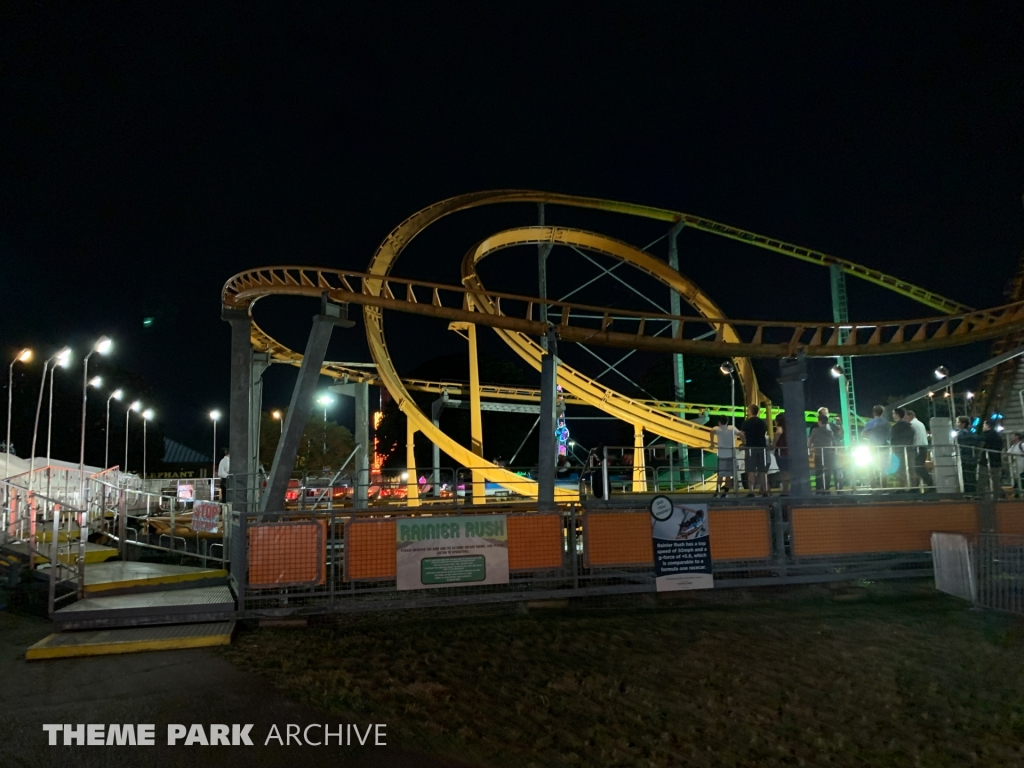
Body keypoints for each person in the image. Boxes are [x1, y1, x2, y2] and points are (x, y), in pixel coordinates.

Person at [739, 404, 769, 497]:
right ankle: (765, 491)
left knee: (751, 470)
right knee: (762, 471)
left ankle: (751, 492)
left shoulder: (746, 423)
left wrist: (744, 443)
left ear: (750, 411)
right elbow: (765, 433)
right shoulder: (763, 422)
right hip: (762, 447)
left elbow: (742, 434)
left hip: (751, 447)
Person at [711, 416, 739, 496]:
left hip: (722, 455)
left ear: (719, 422)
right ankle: (725, 492)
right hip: (731, 454)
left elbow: (712, 431)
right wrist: (744, 442)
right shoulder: (732, 428)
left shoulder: (717, 429)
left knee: (720, 475)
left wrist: (712, 443)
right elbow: (741, 434)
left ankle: (717, 492)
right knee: (728, 476)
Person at [906, 409, 933, 490]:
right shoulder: (920, 424)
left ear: (910, 416)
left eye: (906, 417)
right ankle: (920, 486)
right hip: (923, 447)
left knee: (918, 468)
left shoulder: (912, 424)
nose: (905, 419)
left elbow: (912, 437)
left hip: (918, 448)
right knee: (918, 468)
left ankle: (930, 485)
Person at [808, 414, 836, 493]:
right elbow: (834, 441)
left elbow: (810, 440)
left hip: (819, 453)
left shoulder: (815, 430)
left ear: (819, 421)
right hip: (829, 454)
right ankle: (827, 487)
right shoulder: (830, 431)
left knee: (818, 471)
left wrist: (809, 449)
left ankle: (819, 488)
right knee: (828, 471)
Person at [978, 419, 1005, 497]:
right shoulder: (997, 436)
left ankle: (981, 496)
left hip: (985, 461)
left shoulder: (985, 435)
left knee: (982, 480)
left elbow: (981, 444)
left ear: (987, 426)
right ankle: (997, 496)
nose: (983, 427)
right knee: (996, 481)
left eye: (984, 425)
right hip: (997, 461)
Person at [890, 408, 915, 489]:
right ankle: (914, 488)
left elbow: (892, 440)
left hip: (899, 451)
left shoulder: (895, 427)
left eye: (893, 413)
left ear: (897, 415)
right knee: (911, 469)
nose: (892, 415)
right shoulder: (909, 426)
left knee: (899, 469)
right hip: (910, 450)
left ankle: (902, 487)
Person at [954, 416, 979, 494]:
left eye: (958, 422)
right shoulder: (972, 433)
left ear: (963, 424)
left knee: (966, 477)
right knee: (971, 477)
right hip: (972, 458)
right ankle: (973, 493)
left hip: (964, 458)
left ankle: (968, 493)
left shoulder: (961, 434)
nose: (956, 424)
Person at [773, 414, 790, 496]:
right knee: (789, 471)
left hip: (782, 451)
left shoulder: (781, 426)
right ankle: (788, 489)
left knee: (784, 472)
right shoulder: (791, 427)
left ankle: (785, 490)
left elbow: (779, 432)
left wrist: (773, 444)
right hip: (790, 451)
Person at [1007, 432, 1024, 497]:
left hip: (1022, 466)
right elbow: (1008, 453)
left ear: (1017, 437)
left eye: (1013, 436)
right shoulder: (1013, 446)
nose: (1011, 437)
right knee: (1018, 479)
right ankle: (1017, 493)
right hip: (1017, 467)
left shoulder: (1022, 445)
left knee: (1021, 479)